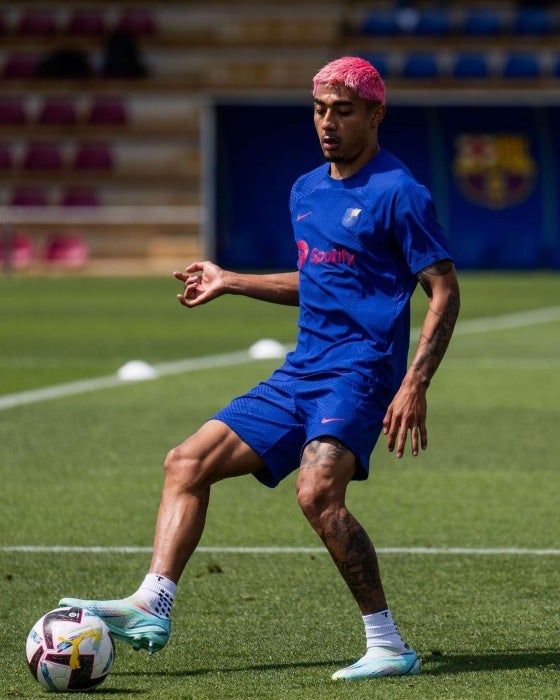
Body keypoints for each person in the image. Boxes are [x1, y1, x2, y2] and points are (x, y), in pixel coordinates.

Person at [60, 56, 460, 681]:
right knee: (185, 463)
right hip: (301, 370)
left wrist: (415, 382)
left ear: (376, 115)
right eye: (320, 110)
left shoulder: (400, 193)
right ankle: (153, 604)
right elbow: (319, 281)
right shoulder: (306, 189)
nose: (328, 123)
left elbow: (443, 289)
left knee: (317, 494)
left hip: (360, 372)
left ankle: (387, 644)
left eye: (343, 111)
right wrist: (231, 280)